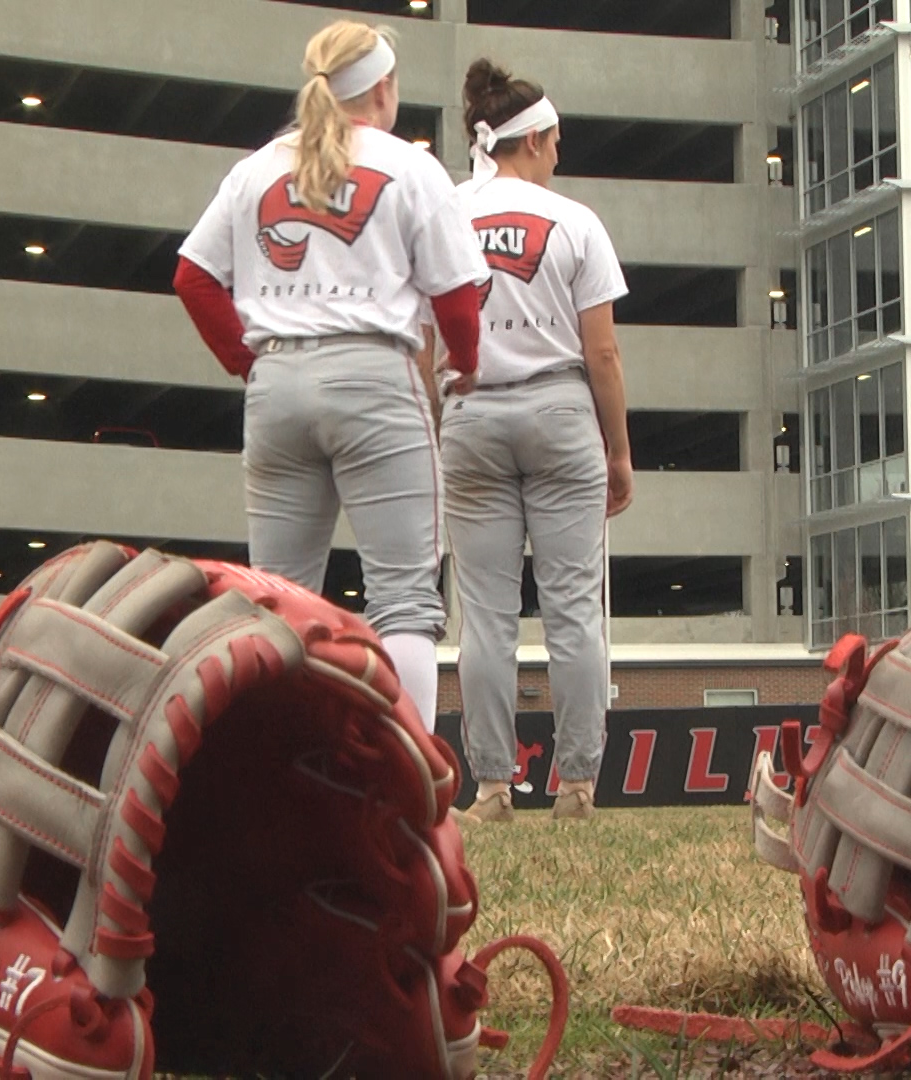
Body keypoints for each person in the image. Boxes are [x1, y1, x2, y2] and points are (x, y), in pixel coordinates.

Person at [174, 21, 488, 731]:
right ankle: (413, 794)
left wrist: (248, 364)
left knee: (276, 602)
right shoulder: (409, 166)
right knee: (405, 598)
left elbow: (192, 277)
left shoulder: (256, 168)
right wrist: (462, 365)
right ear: (382, 86)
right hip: (375, 373)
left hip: (278, 383)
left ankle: (270, 779)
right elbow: (458, 298)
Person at [448, 60, 633, 823]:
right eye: (556, 141)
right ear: (534, 141)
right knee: (573, 611)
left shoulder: (447, 212)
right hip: (559, 410)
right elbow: (603, 356)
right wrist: (618, 452)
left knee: (485, 615)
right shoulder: (576, 221)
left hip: (471, 409)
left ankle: (492, 787)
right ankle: (579, 786)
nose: (560, 154)